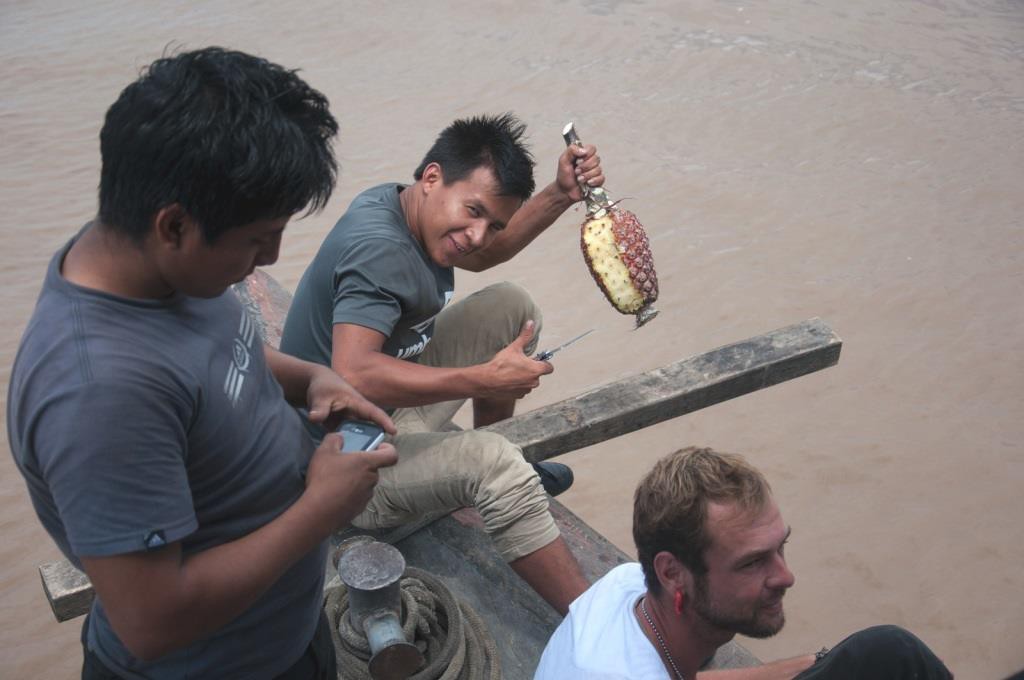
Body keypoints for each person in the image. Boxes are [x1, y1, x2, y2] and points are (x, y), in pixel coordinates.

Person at [7, 47, 400, 679]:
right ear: (173, 226)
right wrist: (319, 511)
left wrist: (308, 377)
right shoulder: (98, 394)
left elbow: (214, 345)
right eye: (255, 238)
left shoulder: (142, 259)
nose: (269, 258)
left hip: (283, 633)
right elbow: (152, 623)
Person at [279, 113, 604, 614]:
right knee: (494, 463)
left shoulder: (404, 206)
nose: (476, 235)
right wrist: (484, 378)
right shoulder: (381, 250)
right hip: (343, 458)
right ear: (432, 178)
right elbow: (351, 374)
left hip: (381, 407)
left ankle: (497, 483)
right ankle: (600, 626)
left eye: (491, 222)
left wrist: (561, 193)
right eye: (473, 211)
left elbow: (482, 256)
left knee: (512, 309)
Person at [534, 447, 954, 679]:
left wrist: (807, 665)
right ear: (672, 572)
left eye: (780, 548)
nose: (785, 577)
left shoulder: (626, 586)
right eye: (752, 563)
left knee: (881, 655)